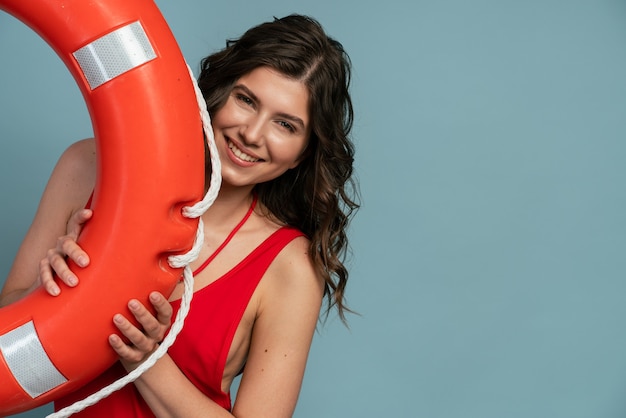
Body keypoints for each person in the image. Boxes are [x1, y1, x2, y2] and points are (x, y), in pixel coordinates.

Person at [0, 14, 358, 417]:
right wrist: (54, 292)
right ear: (219, 92)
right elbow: (10, 331)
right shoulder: (87, 167)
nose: (253, 134)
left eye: (285, 124)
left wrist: (146, 359)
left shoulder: (290, 267)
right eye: (246, 99)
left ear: (303, 154)